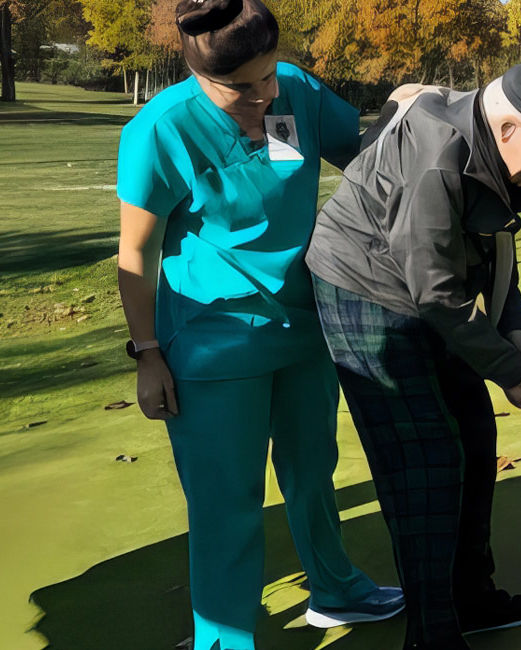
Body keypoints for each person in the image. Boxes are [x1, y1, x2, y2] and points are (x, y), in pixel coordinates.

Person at [111, 0, 407, 647]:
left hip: (304, 328)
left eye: (268, 75)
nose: (262, 95)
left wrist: (406, 110)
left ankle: (336, 590)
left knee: (313, 471)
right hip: (212, 345)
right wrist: (148, 354)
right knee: (227, 505)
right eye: (240, 87)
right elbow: (135, 255)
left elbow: (367, 157)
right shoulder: (159, 132)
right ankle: (224, 641)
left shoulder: (288, 95)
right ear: (196, 73)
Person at [305, 62, 521, 650]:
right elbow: (434, 291)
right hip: (362, 285)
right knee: (426, 459)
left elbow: (496, 253)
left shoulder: (497, 152)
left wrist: (514, 331)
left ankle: (471, 598)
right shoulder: (438, 158)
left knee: (473, 431)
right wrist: (510, 372)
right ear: (509, 129)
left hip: (426, 286)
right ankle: (433, 634)